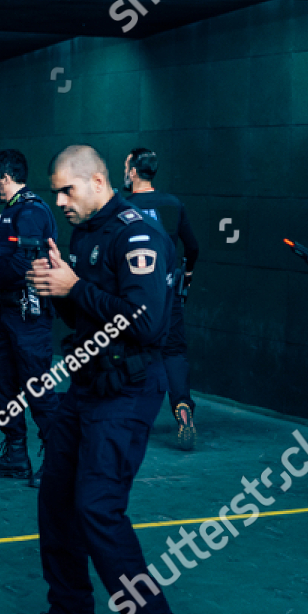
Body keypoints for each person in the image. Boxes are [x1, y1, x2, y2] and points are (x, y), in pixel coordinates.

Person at [7, 145, 180, 614]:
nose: (59, 201)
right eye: (55, 191)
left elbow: (148, 324)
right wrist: (55, 291)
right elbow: (87, 309)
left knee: (97, 508)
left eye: (67, 190)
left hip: (127, 389)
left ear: (99, 180)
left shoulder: (138, 234)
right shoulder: (82, 235)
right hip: (85, 383)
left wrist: (75, 287)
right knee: (56, 502)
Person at [0, 149, 59, 486]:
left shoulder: (31, 211)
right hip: (7, 312)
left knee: (37, 389)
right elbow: (15, 259)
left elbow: (27, 264)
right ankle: (16, 456)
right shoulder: (12, 211)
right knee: (3, 385)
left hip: (29, 317)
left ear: (6, 177)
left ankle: (55, 460)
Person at [123, 148, 201, 448]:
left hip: (135, 298)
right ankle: (183, 411)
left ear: (132, 171)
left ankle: (132, 418)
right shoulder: (173, 204)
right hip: (168, 295)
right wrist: (188, 273)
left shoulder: (123, 207)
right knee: (174, 352)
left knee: (135, 352)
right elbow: (192, 248)